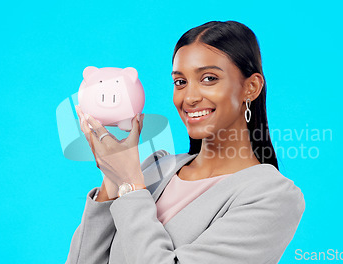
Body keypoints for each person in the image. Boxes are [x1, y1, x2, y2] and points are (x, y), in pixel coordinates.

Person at [66, 20, 305, 264]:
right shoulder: (156, 169)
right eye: (180, 82)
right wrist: (113, 178)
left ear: (251, 87)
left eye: (209, 78)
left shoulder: (272, 196)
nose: (189, 98)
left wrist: (129, 185)